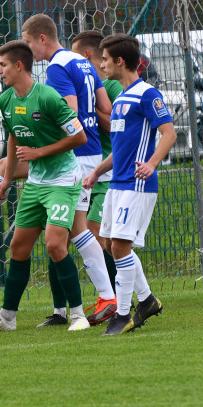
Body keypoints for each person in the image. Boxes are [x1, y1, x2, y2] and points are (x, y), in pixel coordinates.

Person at [0, 41, 90, 333]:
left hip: (63, 180)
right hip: (36, 183)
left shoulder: (47, 97)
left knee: (54, 244)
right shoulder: (7, 99)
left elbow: (79, 137)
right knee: (18, 248)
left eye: (3, 66)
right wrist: (7, 178)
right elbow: (13, 138)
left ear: (19, 66)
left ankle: (78, 315)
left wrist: (38, 153)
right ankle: (7, 318)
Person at [19, 14, 116, 328]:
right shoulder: (84, 63)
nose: (28, 49)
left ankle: (108, 297)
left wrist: (39, 137)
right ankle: (103, 299)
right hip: (90, 153)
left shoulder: (58, 66)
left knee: (73, 232)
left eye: (29, 42)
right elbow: (106, 109)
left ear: (42, 38)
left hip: (73, 157)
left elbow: (69, 115)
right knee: (76, 229)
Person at [82, 34, 177, 337]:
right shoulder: (121, 98)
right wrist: (98, 171)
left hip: (137, 185)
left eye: (105, 59)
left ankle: (123, 316)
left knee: (120, 246)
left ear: (119, 61)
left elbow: (169, 133)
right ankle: (147, 300)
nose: (102, 64)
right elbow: (121, 149)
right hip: (117, 185)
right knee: (110, 245)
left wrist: (151, 164)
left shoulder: (148, 94)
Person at [70, 30, 123, 324]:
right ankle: (63, 308)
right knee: (81, 236)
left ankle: (116, 299)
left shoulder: (109, 86)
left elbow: (115, 124)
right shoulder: (78, 84)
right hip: (87, 172)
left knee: (96, 238)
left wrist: (87, 110)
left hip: (109, 174)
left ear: (85, 56)